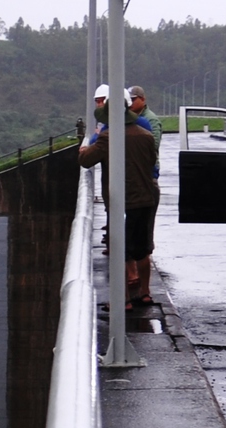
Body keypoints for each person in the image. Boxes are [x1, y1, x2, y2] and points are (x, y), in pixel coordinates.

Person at [80, 102, 161, 307]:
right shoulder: (146, 135)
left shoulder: (108, 138)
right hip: (146, 198)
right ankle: (145, 292)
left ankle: (123, 300)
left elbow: (86, 160)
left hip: (122, 202)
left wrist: (84, 148)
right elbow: (152, 161)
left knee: (119, 251)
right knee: (143, 249)